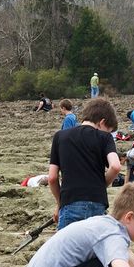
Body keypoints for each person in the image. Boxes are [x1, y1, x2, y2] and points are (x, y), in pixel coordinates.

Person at [49, 98, 122, 229]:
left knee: (68, 248)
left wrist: (59, 204)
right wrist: (102, 184)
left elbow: (52, 178)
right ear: (102, 122)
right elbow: (116, 166)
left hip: (70, 202)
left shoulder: (60, 137)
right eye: (108, 130)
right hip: (97, 202)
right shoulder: (105, 137)